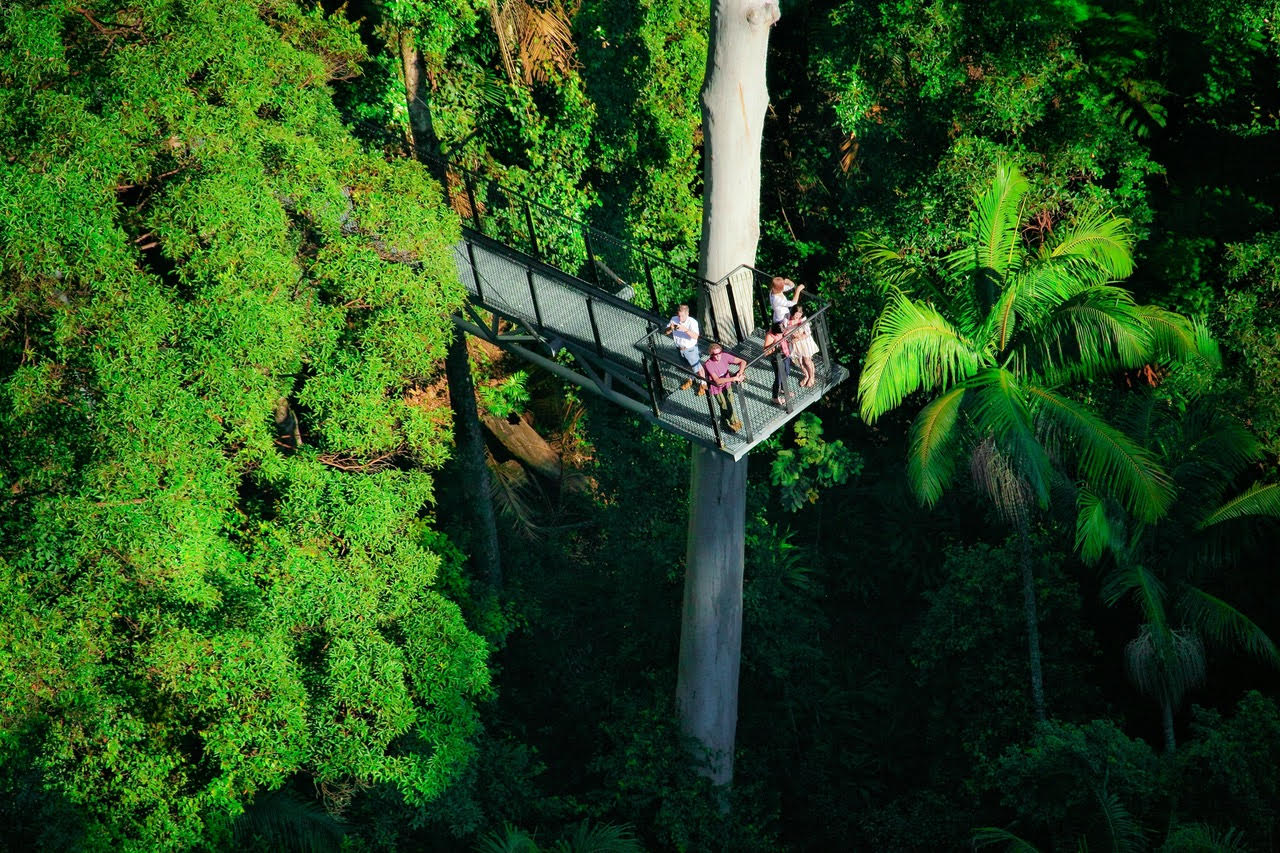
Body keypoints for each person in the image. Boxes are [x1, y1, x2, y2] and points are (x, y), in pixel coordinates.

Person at [701, 342, 747, 433]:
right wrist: (734, 378)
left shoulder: (724, 356)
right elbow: (717, 380)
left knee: (728, 403)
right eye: (715, 354)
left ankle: (723, 421)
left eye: (719, 353)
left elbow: (743, 362)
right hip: (716, 388)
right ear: (711, 354)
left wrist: (740, 373)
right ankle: (734, 422)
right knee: (725, 405)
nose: (718, 356)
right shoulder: (709, 364)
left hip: (727, 384)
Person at [664, 303, 704, 391]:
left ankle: (703, 384)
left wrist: (685, 329)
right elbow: (666, 332)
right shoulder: (674, 319)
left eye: (682, 316)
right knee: (687, 366)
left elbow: (696, 336)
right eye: (679, 316)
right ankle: (691, 378)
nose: (680, 319)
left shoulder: (692, 322)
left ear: (687, 314)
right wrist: (670, 328)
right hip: (679, 348)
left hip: (690, 349)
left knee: (697, 367)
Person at [788, 303, 818, 388]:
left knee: (807, 361)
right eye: (795, 316)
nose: (797, 318)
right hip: (796, 344)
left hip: (804, 342)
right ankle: (806, 376)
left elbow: (808, 333)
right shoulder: (789, 320)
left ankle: (812, 377)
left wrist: (798, 338)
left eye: (798, 316)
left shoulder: (803, 321)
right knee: (800, 362)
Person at [763, 320, 793, 406]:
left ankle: (783, 389)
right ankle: (774, 397)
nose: (781, 335)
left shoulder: (782, 330)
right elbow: (765, 352)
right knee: (778, 378)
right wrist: (774, 346)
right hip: (776, 359)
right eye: (780, 333)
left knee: (787, 372)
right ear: (776, 332)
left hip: (785, 354)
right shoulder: (770, 336)